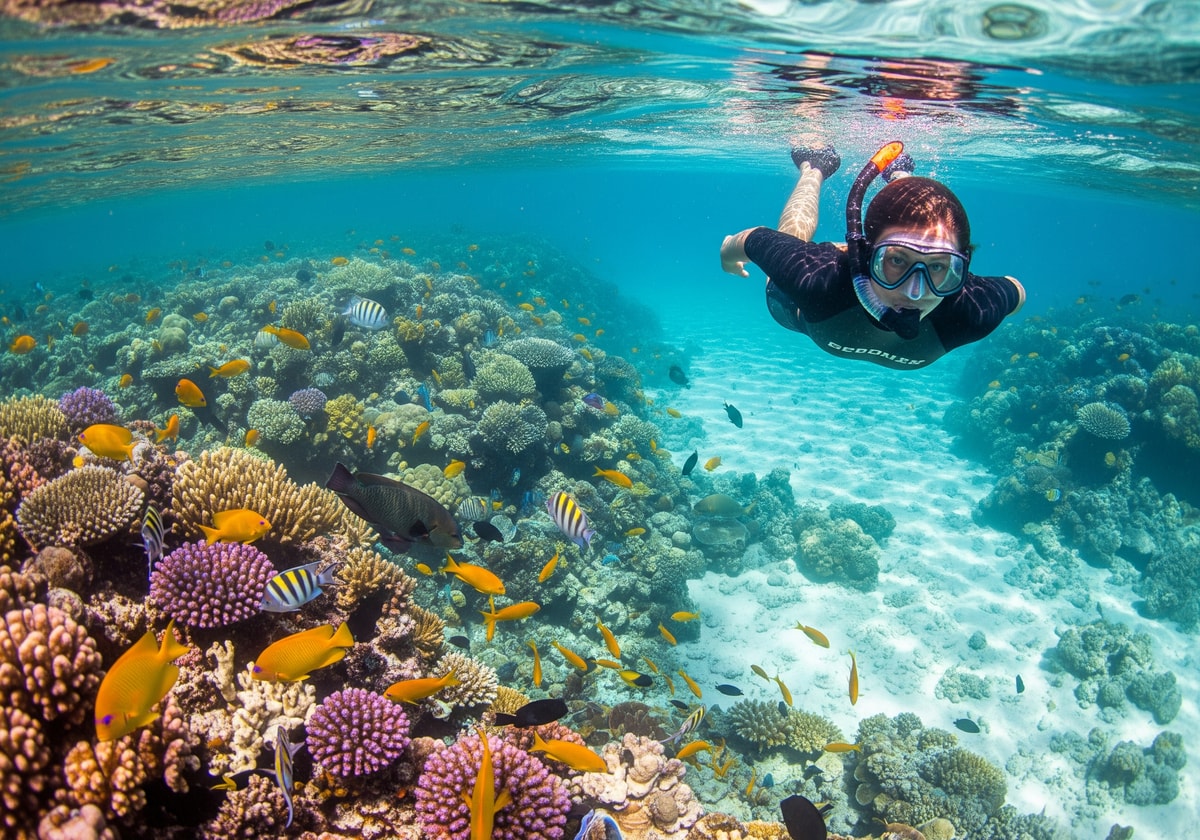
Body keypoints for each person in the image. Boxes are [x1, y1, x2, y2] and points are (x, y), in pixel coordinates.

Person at [720, 141, 1025, 370]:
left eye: (937, 266)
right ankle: (814, 168)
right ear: (865, 256)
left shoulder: (969, 310)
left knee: (912, 226)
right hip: (804, 307)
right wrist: (727, 256)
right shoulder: (818, 279)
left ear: (960, 266)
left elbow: (1017, 292)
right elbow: (751, 239)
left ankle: (900, 179)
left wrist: (728, 260)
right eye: (897, 261)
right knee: (789, 245)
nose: (915, 292)